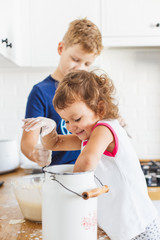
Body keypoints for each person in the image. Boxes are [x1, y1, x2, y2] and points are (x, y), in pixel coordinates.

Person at [22, 70, 160, 240]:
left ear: (100, 108)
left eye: (77, 119)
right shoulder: (88, 134)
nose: (71, 127)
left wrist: (67, 192)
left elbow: (87, 160)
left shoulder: (105, 128)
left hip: (137, 226)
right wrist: (49, 127)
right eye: (65, 121)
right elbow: (54, 144)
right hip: (120, 227)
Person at [21, 18, 103, 167]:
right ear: (61, 49)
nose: (80, 68)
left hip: (89, 171)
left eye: (87, 64)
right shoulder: (40, 92)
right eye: (75, 59)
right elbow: (27, 142)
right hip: (57, 174)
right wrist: (35, 153)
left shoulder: (90, 92)